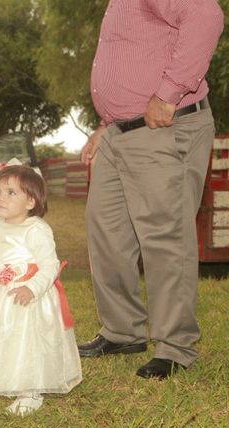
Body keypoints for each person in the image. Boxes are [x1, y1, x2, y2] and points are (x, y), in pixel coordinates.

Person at [79, 1, 224, 379]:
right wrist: (106, 123)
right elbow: (133, 56)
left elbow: (206, 16)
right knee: (106, 231)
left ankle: (174, 347)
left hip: (162, 127)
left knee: (164, 235)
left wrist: (169, 92)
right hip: (119, 132)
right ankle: (122, 331)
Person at [0, 165, 81, 416]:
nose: (0, 197)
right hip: (1, 298)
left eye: (11, 192)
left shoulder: (36, 229)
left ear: (30, 201)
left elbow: (50, 265)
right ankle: (9, 378)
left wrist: (32, 288)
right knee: (6, 340)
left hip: (26, 300)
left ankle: (31, 390)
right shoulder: (1, 226)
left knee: (27, 343)